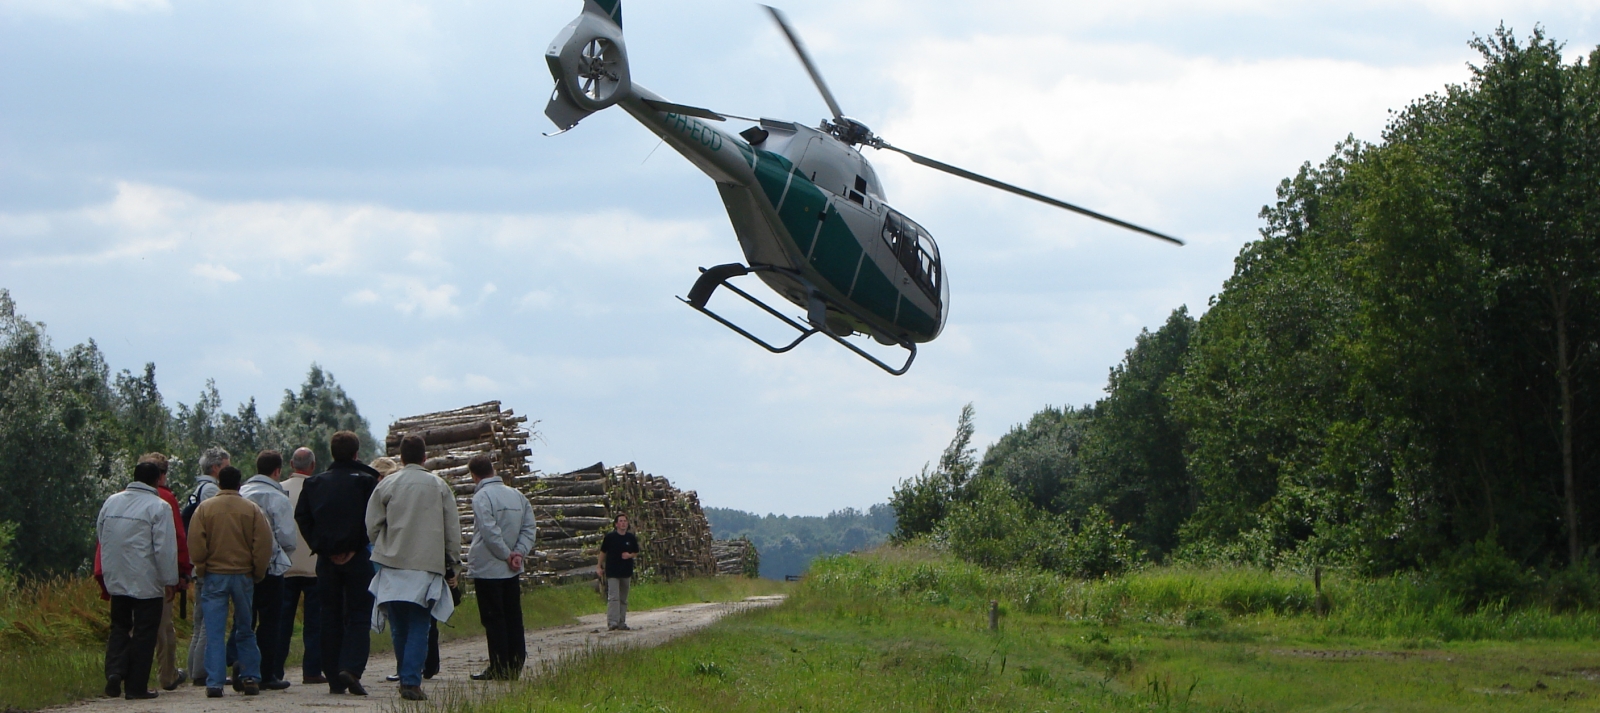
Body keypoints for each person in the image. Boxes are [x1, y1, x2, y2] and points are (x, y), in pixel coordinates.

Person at [366, 434, 461, 701]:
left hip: (392, 564)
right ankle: (410, 680)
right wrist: (453, 562)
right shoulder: (439, 486)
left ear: (401, 458)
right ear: (424, 457)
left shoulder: (387, 485)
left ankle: (405, 673)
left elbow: (372, 524)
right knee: (420, 624)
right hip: (426, 565)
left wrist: (384, 544)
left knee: (399, 625)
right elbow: (452, 529)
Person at [295, 430, 380, 696]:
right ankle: (352, 668)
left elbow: (303, 518)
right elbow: (374, 520)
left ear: (331, 453)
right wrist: (354, 547)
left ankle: (333, 676)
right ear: (356, 454)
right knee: (358, 615)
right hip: (358, 559)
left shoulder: (314, 483)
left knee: (329, 615)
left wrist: (322, 547)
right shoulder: (366, 482)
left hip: (326, 560)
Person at [187, 465, 274, 698]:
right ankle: (250, 676)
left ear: (219, 484)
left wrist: (202, 568)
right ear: (239, 484)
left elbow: (195, 542)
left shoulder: (204, 509)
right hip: (243, 575)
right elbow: (264, 543)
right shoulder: (252, 510)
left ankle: (214, 682)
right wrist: (257, 571)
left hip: (214, 575)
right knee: (246, 628)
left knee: (214, 631)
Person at [97, 461, 180, 700]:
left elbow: (101, 534)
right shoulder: (159, 507)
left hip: (117, 576)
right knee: (145, 632)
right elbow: (164, 548)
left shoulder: (111, 501)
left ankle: (114, 671)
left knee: (120, 627)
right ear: (157, 480)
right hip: (147, 579)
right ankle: (135, 686)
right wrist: (169, 580)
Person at [466, 454, 536, 680]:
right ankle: (516, 663)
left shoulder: (481, 497)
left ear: (474, 475)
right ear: (493, 470)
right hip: (512, 569)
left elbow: (488, 531)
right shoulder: (518, 496)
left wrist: (507, 555)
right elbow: (529, 528)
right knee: (513, 615)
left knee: (493, 617)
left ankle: (499, 665)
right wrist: (519, 553)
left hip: (488, 567)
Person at [234, 450, 297, 691]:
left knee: (243, 620)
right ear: (277, 471)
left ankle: (242, 669)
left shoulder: (241, 494)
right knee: (270, 622)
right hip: (270, 568)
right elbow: (287, 537)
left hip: (241, 567)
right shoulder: (277, 497)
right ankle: (266, 672)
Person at [279, 447, 324, 685]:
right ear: (313, 465)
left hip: (285, 565)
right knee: (314, 621)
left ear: (291, 464)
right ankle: (312, 670)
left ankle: (276, 668)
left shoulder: (280, 489)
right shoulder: (318, 488)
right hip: (314, 563)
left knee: (282, 620)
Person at [186, 446, 230, 686]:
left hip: (197, 563)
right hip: (210, 564)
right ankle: (203, 671)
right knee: (209, 622)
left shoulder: (198, 489)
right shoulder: (212, 490)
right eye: (226, 465)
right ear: (216, 468)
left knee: (198, 621)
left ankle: (195, 668)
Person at [598, 513, 640, 632]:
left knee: (623, 599)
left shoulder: (630, 538)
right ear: (616, 524)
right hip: (612, 571)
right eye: (621, 521)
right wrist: (599, 566)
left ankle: (622, 622)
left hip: (626, 572)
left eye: (625, 521)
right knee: (613, 597)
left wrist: (629, 555)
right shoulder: (610, 537)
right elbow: (603, 552)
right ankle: (612, 622)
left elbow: (636, 552)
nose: (623, 523)